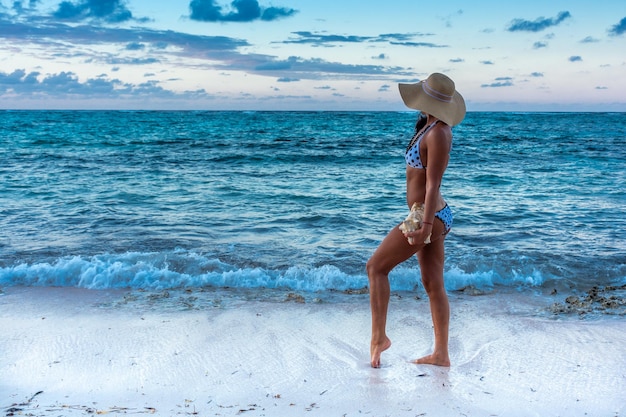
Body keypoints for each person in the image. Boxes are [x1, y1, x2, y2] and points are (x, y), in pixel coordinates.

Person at [367, 73, 465, 368]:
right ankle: (441, 354)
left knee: (375, 268)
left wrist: (423, 227)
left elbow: (433, 183)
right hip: (430, 213)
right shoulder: (430, 127)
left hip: (427, 214)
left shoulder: (437, 133)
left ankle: (378, 338)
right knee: (433, 282)